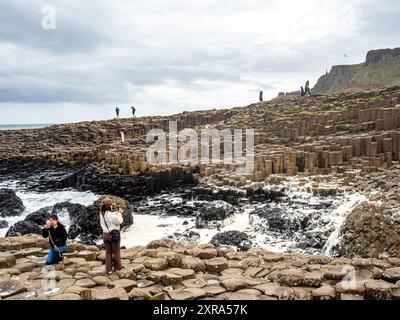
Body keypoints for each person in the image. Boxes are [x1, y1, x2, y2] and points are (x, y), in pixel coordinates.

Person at [100, 198, 123, 274]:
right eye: (111, 205)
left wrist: (116, 213)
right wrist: (119, 213)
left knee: (108, 253)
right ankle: (118, 268)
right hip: (113, 234)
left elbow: (111, 219)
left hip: (105, 234)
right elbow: (119, 221)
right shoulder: (110, 214)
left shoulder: (101, 213)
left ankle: (109, 270)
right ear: (109, 206)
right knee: (116, 252)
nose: (112, 207)